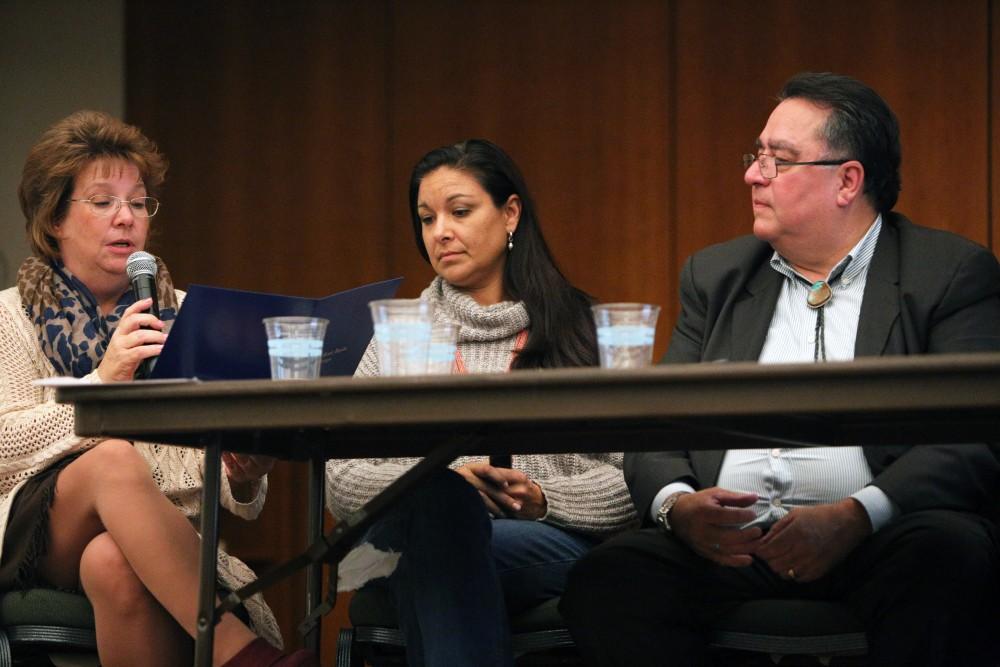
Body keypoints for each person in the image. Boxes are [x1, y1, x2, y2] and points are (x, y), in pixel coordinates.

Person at [559, 72, 1000, 665]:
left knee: (951, 555)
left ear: (848, 180)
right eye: (756, 156)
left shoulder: (946, 273)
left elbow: (973, 433)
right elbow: (654, 420)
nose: (752, 174)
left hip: (879, 538)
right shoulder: (717, 277)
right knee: (612, 577)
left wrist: (856, 515)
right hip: (731, 545)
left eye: (779, 160)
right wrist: (679, 506)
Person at [0, 111, 317, 666]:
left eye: (139, 202)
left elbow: (226, 491)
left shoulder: (191, 316)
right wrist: (102, 383)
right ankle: (245, 657)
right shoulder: (7, 318)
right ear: (54, 218)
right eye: (102, 202)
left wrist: (243, 474)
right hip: (34, 534)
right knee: (113, 459)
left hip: (166, 541)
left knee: (111, 560)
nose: (126, 218)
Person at [325, 139, 637, 666]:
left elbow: (635, 478)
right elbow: (341, 478)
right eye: (426, 219)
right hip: (413, 535)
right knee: (441, 514)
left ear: (510, 213)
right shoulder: (400, 336)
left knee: (438, 545)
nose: (440, 232)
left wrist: (541, 497)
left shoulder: (584, 331)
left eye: (460, 211)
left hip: (546, 539)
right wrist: (439, 483)